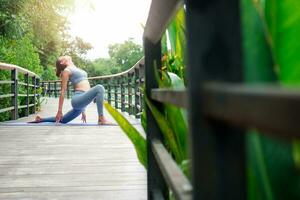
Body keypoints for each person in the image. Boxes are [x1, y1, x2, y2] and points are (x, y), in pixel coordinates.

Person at [32, 55, 111, 124]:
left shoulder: (76, 68)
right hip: (78, 99)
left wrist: (83, 109)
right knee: (99, 88)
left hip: (81, 101)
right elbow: (63, 91)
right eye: (63, 56)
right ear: (62, 62)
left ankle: (41, 119)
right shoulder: (66, 71)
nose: (65, 55)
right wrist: (59, 110)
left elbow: (85, 89)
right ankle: (101, 118)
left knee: (63, 120)